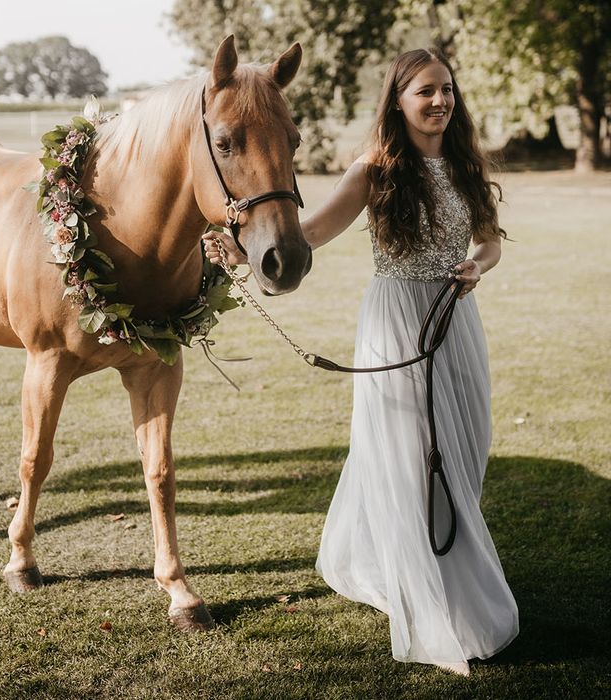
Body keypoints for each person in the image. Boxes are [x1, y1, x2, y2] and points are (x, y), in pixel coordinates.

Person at [203, 47, 518, 675]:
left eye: (446, 90)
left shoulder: (464, 166)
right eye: (425, 91)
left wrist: (475, 267)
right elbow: (312, 233)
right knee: (411, 454)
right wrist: (241, 249)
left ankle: (427, 562)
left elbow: (488, 243)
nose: (439, 101)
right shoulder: (374, 171)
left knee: (463, 447)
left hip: (456, 323)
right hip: (397, 322)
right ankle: (434, 595)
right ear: (398, 100)